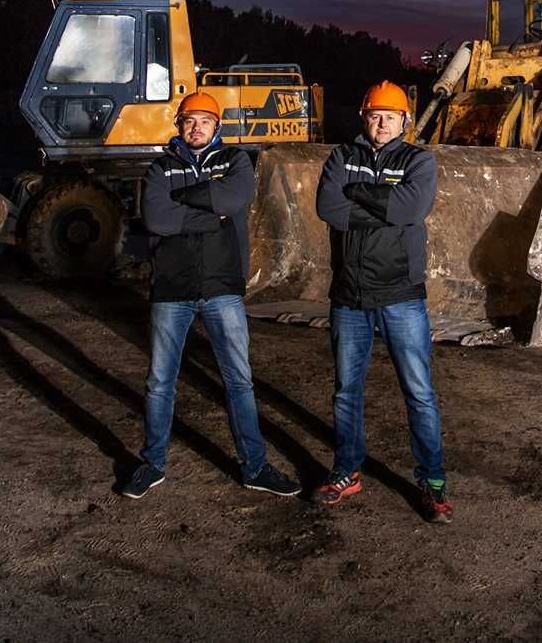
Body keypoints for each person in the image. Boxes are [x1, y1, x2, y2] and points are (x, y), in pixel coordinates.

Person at [121, 90, 299, 499]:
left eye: (204, 121)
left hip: (222, 289)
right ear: (179, 127)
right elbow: (156, 218)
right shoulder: (160, 168)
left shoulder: (235, 162)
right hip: (171, 289)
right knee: (160, 382)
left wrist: (182, 202)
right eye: (189, 121)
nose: (196, 127)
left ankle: (254, 467)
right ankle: (152, 464)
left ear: (217, 126)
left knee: (239, 382)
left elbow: (232, 198)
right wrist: (208, 213)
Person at [312, 81, 451, 524]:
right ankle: (346, 471)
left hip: (400, 295)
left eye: (390, 116)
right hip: (349, 295)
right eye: (375, 115)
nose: (382, 122)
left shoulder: (418, 160)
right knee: (346, 392)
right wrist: (382, 207)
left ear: (405, 121)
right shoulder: (341, 157)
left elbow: (411, 209)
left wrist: (359, 193)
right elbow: (328, 208)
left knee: (419, 391)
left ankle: (433, 483)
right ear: (363, 117)